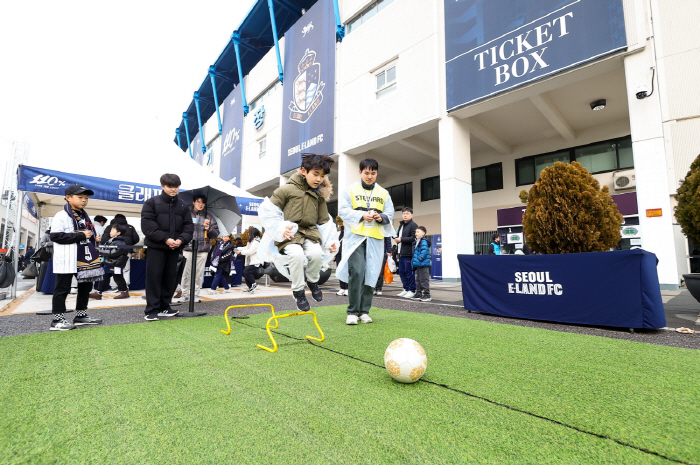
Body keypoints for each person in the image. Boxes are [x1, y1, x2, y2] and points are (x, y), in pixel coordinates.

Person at [260, 154, 338, 311]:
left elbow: (324, 221)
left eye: (322, 176)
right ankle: (298, 291)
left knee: (317, 255)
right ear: (304, 171)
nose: (319, 179)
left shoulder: (319, 196)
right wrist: (280, 228)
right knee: (297, 255)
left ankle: (312, 281)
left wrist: (330, 242)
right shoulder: (286, 190)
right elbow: (268, 211)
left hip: (310, 233)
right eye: (315, 174)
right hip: (289, 234)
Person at [337, 158, 394, 325]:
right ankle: (353, 311)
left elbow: (389, 213)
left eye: (373, 173)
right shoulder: (350, 190)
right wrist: (361, 215)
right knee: (357, 270)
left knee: (372, 273)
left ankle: (364, 311)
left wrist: (380, 216)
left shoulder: (384, 193)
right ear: (360, 172)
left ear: (377, 173)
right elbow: (343, 211)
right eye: (366, 172)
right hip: (356, 238)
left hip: (375, 238)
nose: (369, 176)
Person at [48, 184, 105, 331]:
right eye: (80, 197)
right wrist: (81, 235)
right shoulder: (61, 215)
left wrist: (94, 238)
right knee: (62, 289)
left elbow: (86, 233)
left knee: (85, 287)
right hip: (67, 258)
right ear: (68, 198)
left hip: (84, 259)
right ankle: (57, 320)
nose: (84, 200)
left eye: (86, 198)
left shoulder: (84, 216)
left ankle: (81, 314)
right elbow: (55, 236)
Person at [140, 173, 193, 321]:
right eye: (170, 186)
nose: (173, 189)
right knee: (154, 278)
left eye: (176, 186)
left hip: (175, 248)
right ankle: (151, 310)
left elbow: (188, 227)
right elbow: (148, 226)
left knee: (170, 278)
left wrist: (181, 240)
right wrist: (166, 239)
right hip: (156, 248)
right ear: (162, 186)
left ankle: (164, 307)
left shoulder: (183, 205)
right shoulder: (151, 203)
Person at [180, 194, 219, 303]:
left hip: (203, 248)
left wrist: (209, 228)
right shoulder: (187, 215)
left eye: (202, 202)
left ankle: (196, 294)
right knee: (186, 272)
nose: (200, 204)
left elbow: (215, 234)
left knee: (199, 273)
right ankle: (184, 293)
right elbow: (180, 229)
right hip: (188, 247)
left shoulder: (209, 217)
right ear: (193, 202)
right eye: (198, 202)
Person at [92, 223, 130, 299]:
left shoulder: (119, 242)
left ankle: (124, 292)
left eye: (113, 230)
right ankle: (98, 293)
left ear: (118, 233)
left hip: (115, 263)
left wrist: (100, 252)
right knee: (105, 276)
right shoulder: (113, 240)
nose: (110, 231)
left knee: (118, 278)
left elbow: (114, 252)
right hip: (111, 262)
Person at [394, 207, 417, 298]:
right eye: (404, 213)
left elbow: (413, 238)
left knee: (409, 272)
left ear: (411, 215)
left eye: (407, 213)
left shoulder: (413, 225)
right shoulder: (401, 225)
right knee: (402, 272)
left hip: (408, 253)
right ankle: (406, 288)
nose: (405, 215)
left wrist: (401, 239)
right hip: (401, 252)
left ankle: (412, 290)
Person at [410, 226, 432, 302]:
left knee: (424, 280)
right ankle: (418, 293)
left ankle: (427, 294)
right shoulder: (417, 241)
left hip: (423, 264)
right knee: (418, 280)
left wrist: (420, 258)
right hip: (419, 264)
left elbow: (424, 251)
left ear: (423, 233)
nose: (416, 233)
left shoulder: (423, 241)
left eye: (418, 232)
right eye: (416, 232)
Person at [238, 228, 263, 293]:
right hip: (251, 261)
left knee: (246, 271)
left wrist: (240, 252)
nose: (248, 234)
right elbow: (247, 248)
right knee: (246, 273)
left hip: (256, 261)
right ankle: (251, 288)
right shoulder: (252, 241)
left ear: (252, 233)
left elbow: (251, 251)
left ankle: (254, 284)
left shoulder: (256, 242)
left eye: (249, 233)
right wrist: (237, 248)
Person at [335, 221, 348, 296]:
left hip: (346, 254)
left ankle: (347, 288)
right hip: (339, 254)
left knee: (346, 271)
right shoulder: (339, 232)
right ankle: (342, 287)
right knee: (340, 270)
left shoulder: (349, 232)